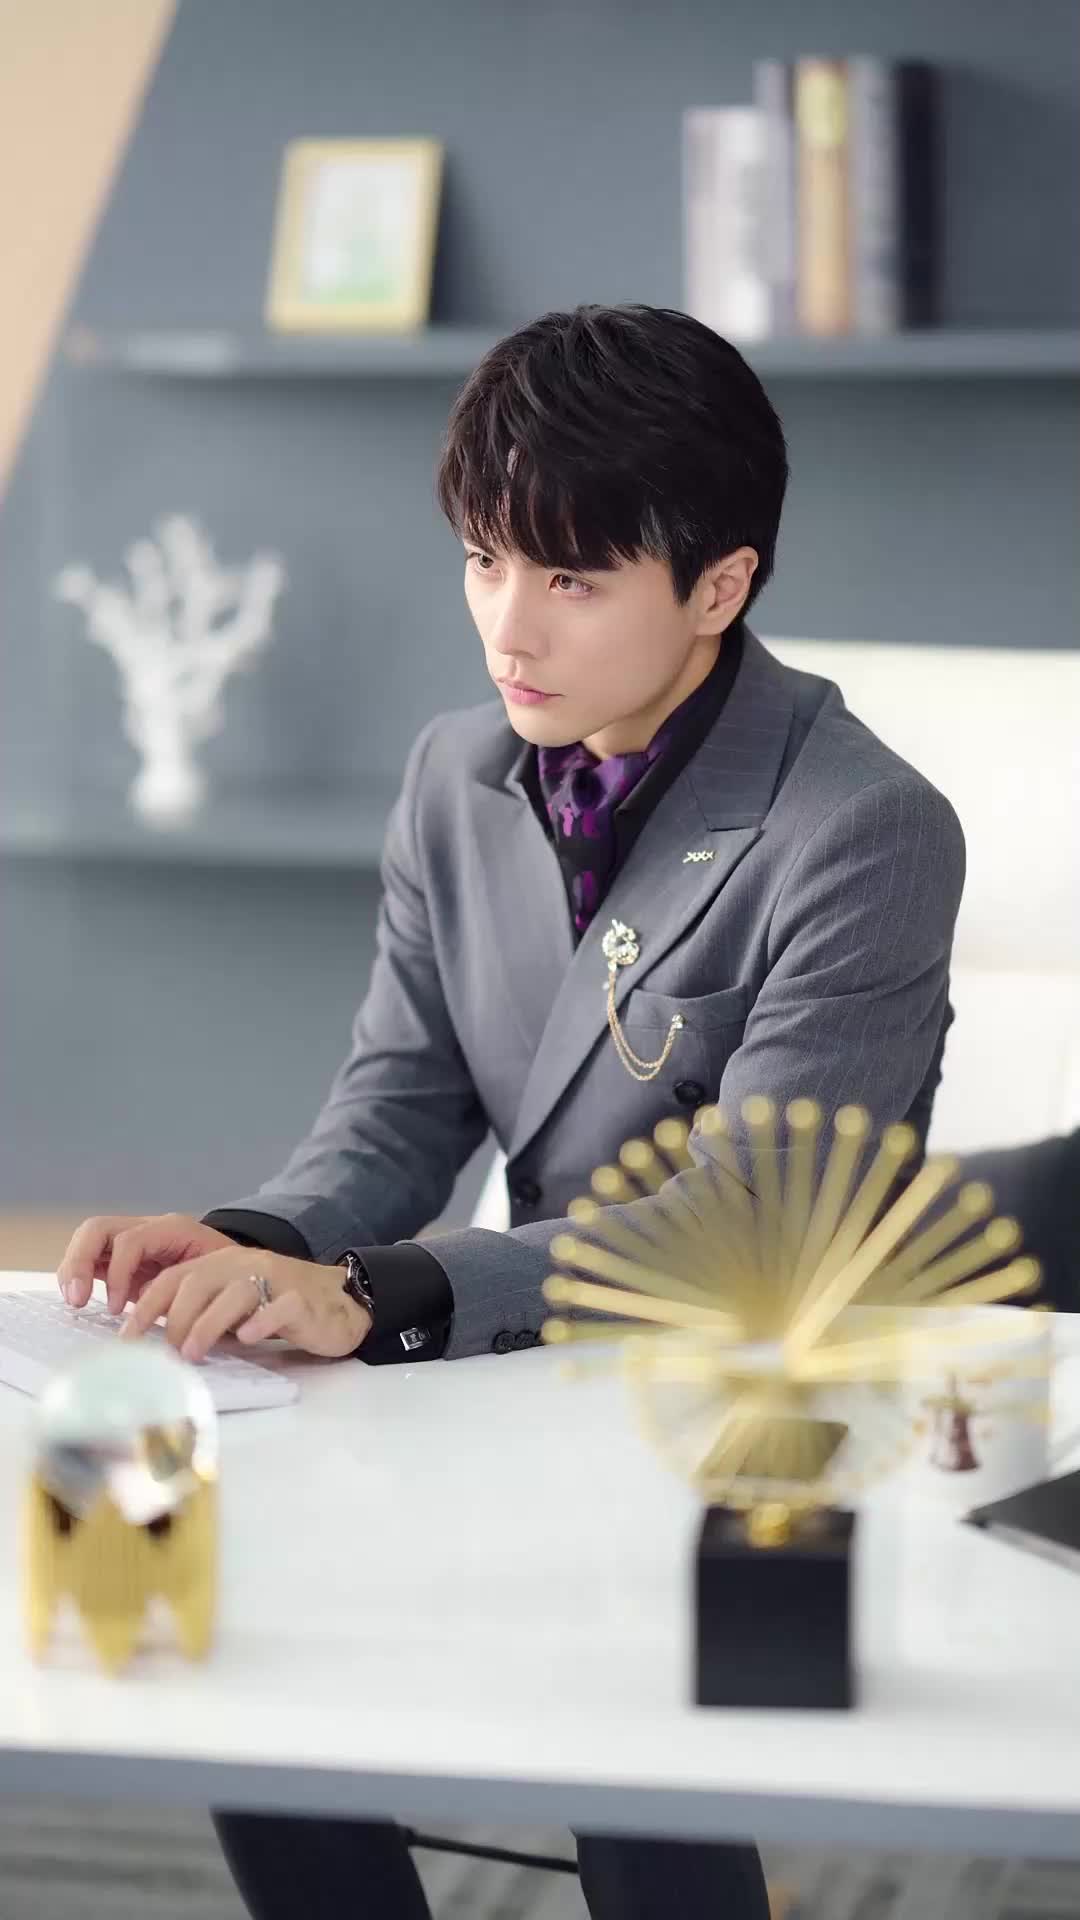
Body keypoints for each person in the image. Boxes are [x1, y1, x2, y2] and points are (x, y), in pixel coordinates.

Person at [57, 304, 965, 1920]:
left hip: (739, 1399)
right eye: (485, 560)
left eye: (571, 578)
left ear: (719, 586)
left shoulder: (865, 828)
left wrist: (377, 1294)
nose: (507, 625)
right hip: (517, 1348)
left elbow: (752, 1225)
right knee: (233, 1634)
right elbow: (400, 1104)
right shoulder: (454, 773)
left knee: (626, 1738)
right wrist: (250, 1243)